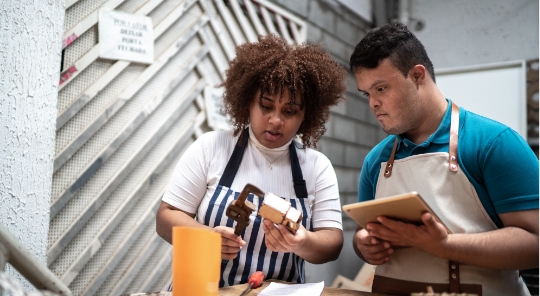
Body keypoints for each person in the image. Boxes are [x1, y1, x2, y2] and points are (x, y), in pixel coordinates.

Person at [349, 22, 538, 296]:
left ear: (417, 76)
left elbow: (535, 245)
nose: (372, 104)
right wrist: (364, 245)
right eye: (367, 93)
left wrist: (444, 246)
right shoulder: (374, 162)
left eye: (381, 89)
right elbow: (361, 235)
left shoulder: (494, 143)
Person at [156, 34, 347, 287]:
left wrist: (303, 242)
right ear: (247, 102)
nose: (276, 120)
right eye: (266, 106)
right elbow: (165, 217)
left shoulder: (317, 167)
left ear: (306, 115)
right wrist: (207, 236)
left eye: (290, 111)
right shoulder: (211, 147)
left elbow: (332, 243)